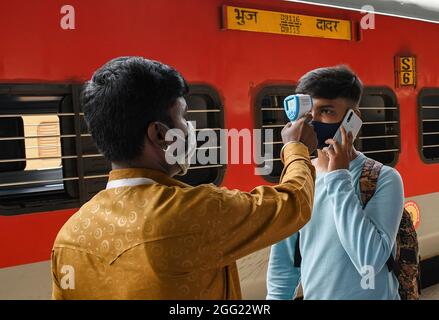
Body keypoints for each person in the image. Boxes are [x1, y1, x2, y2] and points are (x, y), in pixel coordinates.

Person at [51, 56, 317, 299]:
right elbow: (293, 204)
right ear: (159, 134)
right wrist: (297, 148)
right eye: (183, 117)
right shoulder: (194, 211)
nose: (190, 129)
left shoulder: (69, 237)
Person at [266, 65, 405, 300]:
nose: (313, 121)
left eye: (327, 111)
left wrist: (337, 176)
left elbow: (369, 260)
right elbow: (284, 265)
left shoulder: (383, 178)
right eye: (309, 112)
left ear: (354, 119)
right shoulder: (300, 177)